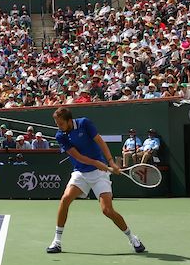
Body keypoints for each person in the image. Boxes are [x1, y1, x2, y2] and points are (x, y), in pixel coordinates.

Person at [48, 106, 145, 254]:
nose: (58, 126)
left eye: (60, 123)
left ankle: (133, 238)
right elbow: (77, 156)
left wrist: (111, 162)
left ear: (69, 120)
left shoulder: (84, 123)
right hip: (80, 172)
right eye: (56, 124)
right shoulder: (60, 135)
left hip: (99, 175)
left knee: (107, 210)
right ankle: (57, 241)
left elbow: (99, 141)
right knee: (65, 199)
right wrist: (96, 163)